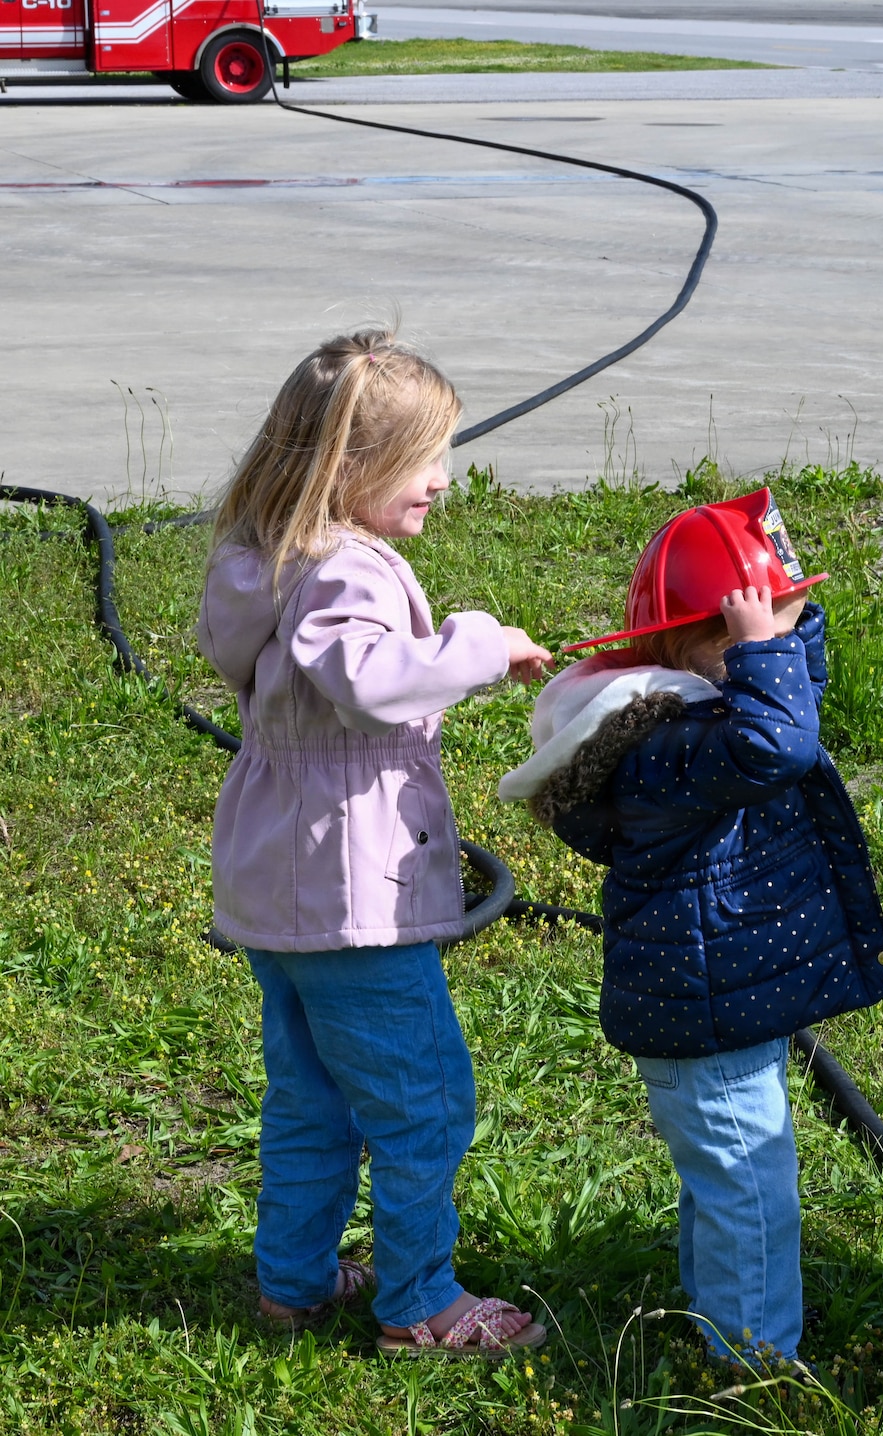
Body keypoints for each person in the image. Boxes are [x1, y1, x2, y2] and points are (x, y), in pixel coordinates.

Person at [198, 329, 553, 1357]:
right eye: (425, 457)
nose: (444, 480)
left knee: (311, 1093)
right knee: (423, 1101)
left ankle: (295, 1280)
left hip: (280, 883)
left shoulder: (266, 555)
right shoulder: (345, 571)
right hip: (352, 898)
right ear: (349, 468)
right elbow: (369, 678)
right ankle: (419, 1302)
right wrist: (477, 645)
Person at [498, 488, 883, 1369]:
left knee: (728, 1182)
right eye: (765, 641)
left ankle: (724, 1317)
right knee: (749, 1193)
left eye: (790, 635)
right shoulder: (667, 743)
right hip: (703, 1015)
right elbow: (782, 744)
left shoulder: (706, 700)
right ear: (697, 646)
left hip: (715, 1003)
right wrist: (767, 648)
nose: (784, 654)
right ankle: (751, 1363)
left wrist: (777, 625)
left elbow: (796, 701)